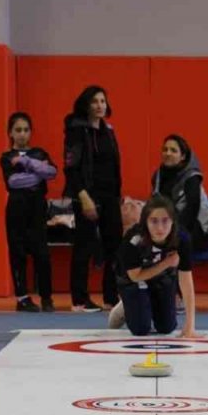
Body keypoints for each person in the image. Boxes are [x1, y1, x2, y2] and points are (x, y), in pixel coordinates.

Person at [62, 85, 121, 313]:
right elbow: (71, 168)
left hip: (110, 196)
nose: (100, 105)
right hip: (87, 196)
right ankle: (79, 299)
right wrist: (84, 197)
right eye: (95, 101)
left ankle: (111, 297)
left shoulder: (108, 131)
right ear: (86, 105)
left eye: (103, 101)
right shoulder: (76, 131)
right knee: (84, 247)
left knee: (114, 246)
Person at [0, 111, 56, 312]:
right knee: (18, 253)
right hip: (16, 209)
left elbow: (52, 172)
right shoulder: (6, 158)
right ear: (11, 133)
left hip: (37, 209)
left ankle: (47, 297)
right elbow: (13, 182)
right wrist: (38, 173)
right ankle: (22, 297)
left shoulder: (39, 153)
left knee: (42, 253)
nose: (22, 134)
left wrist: (27, 163)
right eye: (18, 130)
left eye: (25, 130)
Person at [149, 134, 203, 337]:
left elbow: (193, 208)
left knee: (178, 245)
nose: (167, 153)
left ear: (183, 156)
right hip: (168, 226)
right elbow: (154, 206)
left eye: (173, 150)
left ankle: (180, 303)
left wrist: (172, 233)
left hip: (195, 227)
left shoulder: (192, 177)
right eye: (165, 149)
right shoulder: (158, 176)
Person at [115, 194, 182, 337]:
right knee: (141, 329)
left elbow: (187, 275)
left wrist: (190, 326)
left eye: (165, 221)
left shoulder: (181, 238)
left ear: (173, 222)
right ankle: (127, 305)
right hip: (133, 281)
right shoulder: (133, 241)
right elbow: (135, 276)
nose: (160, 228)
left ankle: (147, 301)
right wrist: (167, 263)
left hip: (162, 278)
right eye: (154, 221)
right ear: (145, 222)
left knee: (167, 327)